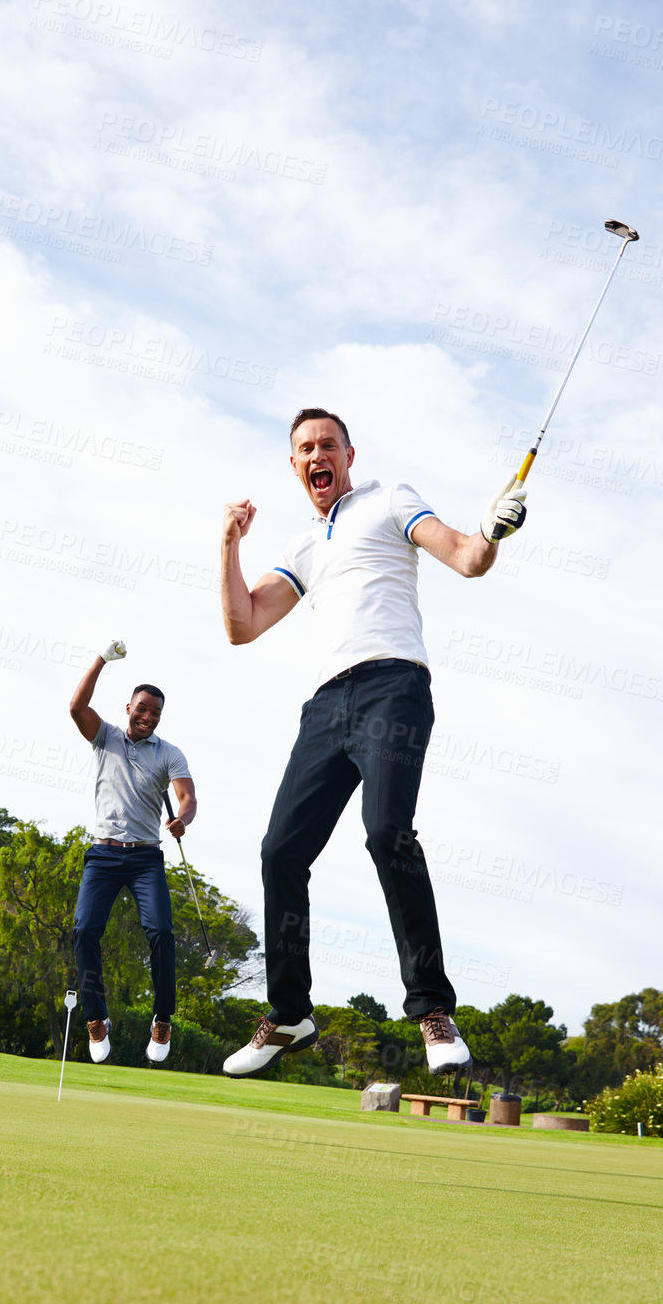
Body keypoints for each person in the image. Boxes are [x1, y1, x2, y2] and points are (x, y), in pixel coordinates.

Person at [218, 408, 527, 1079]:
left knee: (386, 831)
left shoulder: (390, 500)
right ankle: (291, 1012)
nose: (318, 454)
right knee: (280, 850)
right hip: (328, 705)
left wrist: (493, 530)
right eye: (305, 448)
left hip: (394, 686)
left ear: (349, 454)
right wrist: (229, 545)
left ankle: (431, 1011)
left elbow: (467, 558)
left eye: (328, 443)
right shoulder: (303, 545)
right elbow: (243, 626)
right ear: (295, 466)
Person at [68, 639, 197, 1065]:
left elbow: (187, 797)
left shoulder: (170, 753)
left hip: (145, 859)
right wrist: (102, 659)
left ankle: (162, 1018)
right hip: (103, 856)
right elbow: (75, 707)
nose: (147, 717)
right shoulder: (105, 736)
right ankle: (96, 1019)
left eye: (155, 713)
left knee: (160, 932)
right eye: (142, 709)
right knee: (85, 931)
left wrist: (183, 817)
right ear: (128, 708)